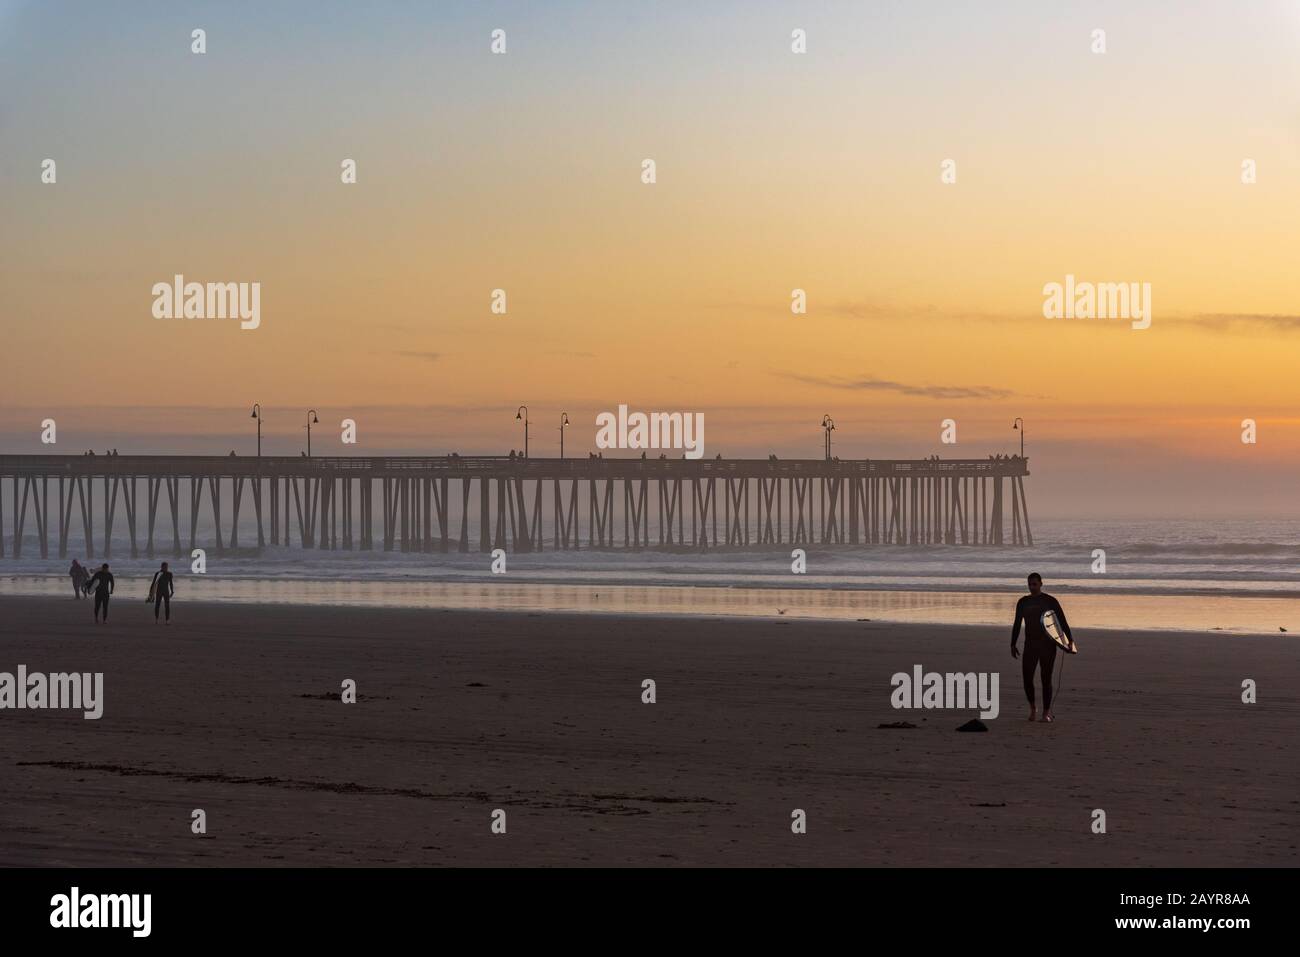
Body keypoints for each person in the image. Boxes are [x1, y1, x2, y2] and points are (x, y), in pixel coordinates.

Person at [1010, 572, 1072, 722]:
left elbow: (1062, 621)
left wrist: (1069, 640)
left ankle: (1046, 713)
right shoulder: (1023, 602)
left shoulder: (1050, 601)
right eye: (1029, 584)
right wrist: (1013, 643)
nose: (1032, 587)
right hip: (1030, 645)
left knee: (1046, 678)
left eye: (1034, 584)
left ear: (1041, 584)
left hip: (1048, 645)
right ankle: (1033, 708)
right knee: (1027, 679)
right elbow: (1017, 623)